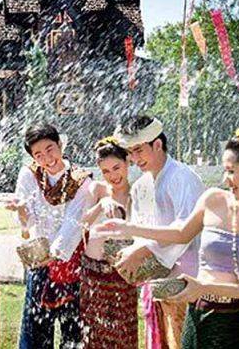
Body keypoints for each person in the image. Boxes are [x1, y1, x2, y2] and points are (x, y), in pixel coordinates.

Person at [98, 125, 239, 348]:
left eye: (231, 171)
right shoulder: (213, 200)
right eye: (225, 170)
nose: (225, 179)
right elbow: (181, 234)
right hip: (201, 317)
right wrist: (129, 228)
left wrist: (204, 287)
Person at [108, 115, 205, 349]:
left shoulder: (182, 177)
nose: (134, 158)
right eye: (130, 152)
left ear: (158, 144)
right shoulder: (140, 186)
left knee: (186, 340)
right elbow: (140, 231)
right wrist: (132, 250)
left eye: (139, 150)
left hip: (190, 276)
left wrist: (143, 249)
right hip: (156, 278)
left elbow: (186, 231)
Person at [5, 122, 94, 349]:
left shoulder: (81, 180)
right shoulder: (29, 175)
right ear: (33, 157)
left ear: (60, 145)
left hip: (71, 261)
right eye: (38, 154)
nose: (47, 158)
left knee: (73, 330)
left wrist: (54, 254)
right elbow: (28, 221)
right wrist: (22, 212)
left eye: (50, 149)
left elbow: (74, 223)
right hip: (40, 260)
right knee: (35, 328)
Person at [78, 137, 138, 348]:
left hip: (124, 272)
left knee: (123, 333)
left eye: (116, 168)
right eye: (106, 171)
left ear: (127, 162)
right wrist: (102, 204)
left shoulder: (137, 193)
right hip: (94, 272)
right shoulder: (97, 189)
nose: (113, 176)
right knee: (94, 333)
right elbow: (82, 223)